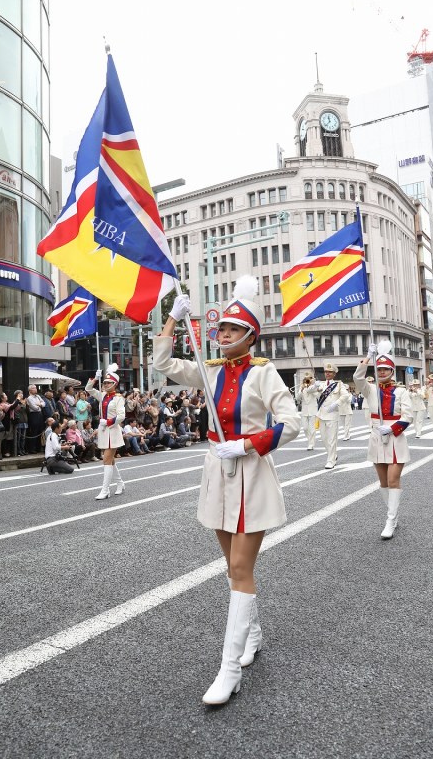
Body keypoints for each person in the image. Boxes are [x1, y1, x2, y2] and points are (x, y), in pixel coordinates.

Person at [152, 275, 300, 706]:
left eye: (233, 330)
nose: (223, 335)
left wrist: (248, 443)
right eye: (221, 329)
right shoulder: (210, 370)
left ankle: (230, 669)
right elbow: (163, 365)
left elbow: (289, 423)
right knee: (232, 569)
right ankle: (251, 635)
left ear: (250, 335)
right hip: (218, 473)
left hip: (251, 473)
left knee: (240, 568)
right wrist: (171, 323)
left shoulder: (263, 372)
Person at [354, 341, 412, 539]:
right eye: (379, 369)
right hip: (377, 437)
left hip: (395, 438)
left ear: (392, 371)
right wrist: (368, 357)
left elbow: (408, 416)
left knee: (393, 479)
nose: (383, 372)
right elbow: (357, 377)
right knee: (383, 483)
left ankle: (389, 520)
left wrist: (394, 428)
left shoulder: (402, 391)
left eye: (386, 369)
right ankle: (393, 515)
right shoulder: (369, 389)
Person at [85, 363, 126, 500]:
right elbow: (88, 389)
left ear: (115, 384)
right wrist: (95, 378)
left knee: (106, 459)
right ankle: (120, 483)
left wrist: (108, 421)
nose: (106, 384)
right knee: (110, 460)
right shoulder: (102, 395)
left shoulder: (119, 398)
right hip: (103, 431)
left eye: (109, 383)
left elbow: (121, 416)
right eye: (105, 382)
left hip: (113, 431)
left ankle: (105, 490)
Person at [315, 360, 351, 469]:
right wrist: (315, 386)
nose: (327, 374)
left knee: (331, 439)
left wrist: (336, 403)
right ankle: (333, 455)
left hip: (332, 414)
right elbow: (311, 391)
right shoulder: (320, 384)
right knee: (324, 438)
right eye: (326, 372)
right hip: (321, 414)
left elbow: (345, 396)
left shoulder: (339, 385)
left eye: (330, 372)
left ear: (334, 374)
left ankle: (331, 460)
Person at [295, 371, 317, 451]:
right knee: (305, 428)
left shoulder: (314, 387)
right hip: (304, 411)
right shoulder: (302, 387)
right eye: (305, 379)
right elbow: (297, 398)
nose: (307, 381)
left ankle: (311, 444)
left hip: (312, 410)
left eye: (308, 379)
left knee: (312, 428)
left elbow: (317, 395)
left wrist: (312, 386)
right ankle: (310, 440)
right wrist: (302, 389)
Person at [26, 385, 45, 453]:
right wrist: (40, 405)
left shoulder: (38, 396)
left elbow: (44, 404)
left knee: (40, 430)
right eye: (34, 388)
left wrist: (39, 405)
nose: (35, 389)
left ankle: (38, 447)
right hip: (33, 415)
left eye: (36, 388)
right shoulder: (29, 398)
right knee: (34, 431)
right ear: (30, 390)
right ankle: (32, 448)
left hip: (40, 414)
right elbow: (35, 408)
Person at [12, 390, 28, 455]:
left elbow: (27, 411)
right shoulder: (15, 402)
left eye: (22, 393)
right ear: (17, 395)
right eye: (20, 394)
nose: (22, 395)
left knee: (23, 437)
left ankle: (22, 449)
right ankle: (18, 450)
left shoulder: (23, 402)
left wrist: (26, 405)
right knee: (18, 437)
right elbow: (16, 410)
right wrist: (22, 404)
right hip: (19, 421)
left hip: (25, 420)